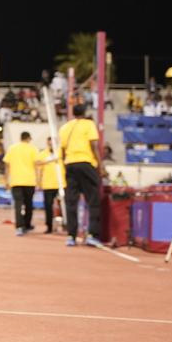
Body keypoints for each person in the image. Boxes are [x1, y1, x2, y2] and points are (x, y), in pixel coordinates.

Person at [59, 104, 103, 247]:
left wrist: (66, 165)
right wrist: (100, 165)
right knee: (93, 200)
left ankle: (71, 236)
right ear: (84, 112)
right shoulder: (89, 124)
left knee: (71, 202)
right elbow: (93, 145)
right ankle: (92, 234)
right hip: (85, 163)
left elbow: (63, 150)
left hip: (70, 165)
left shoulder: (65, 127)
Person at [3, 132, 39, 235]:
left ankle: (19, 227)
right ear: (28, 138)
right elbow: (36, 164)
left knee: (18, 204)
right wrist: (38, 180)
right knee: (29, 204)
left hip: (16, 181)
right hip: (29, 181)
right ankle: (27, 225)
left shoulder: (12, 148)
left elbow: (7, 166)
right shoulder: (33, 149)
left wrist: (6, 180)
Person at [37, 137, 64, 234]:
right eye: (49, 143)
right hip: (48, 184)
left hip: (61, 183)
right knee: (48, 206)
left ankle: (65, 225)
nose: (51, 145)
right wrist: (39, 182)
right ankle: (49, 226)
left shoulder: (61, 152)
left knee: (63, 206)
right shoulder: (43, 153)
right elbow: (38, 164)